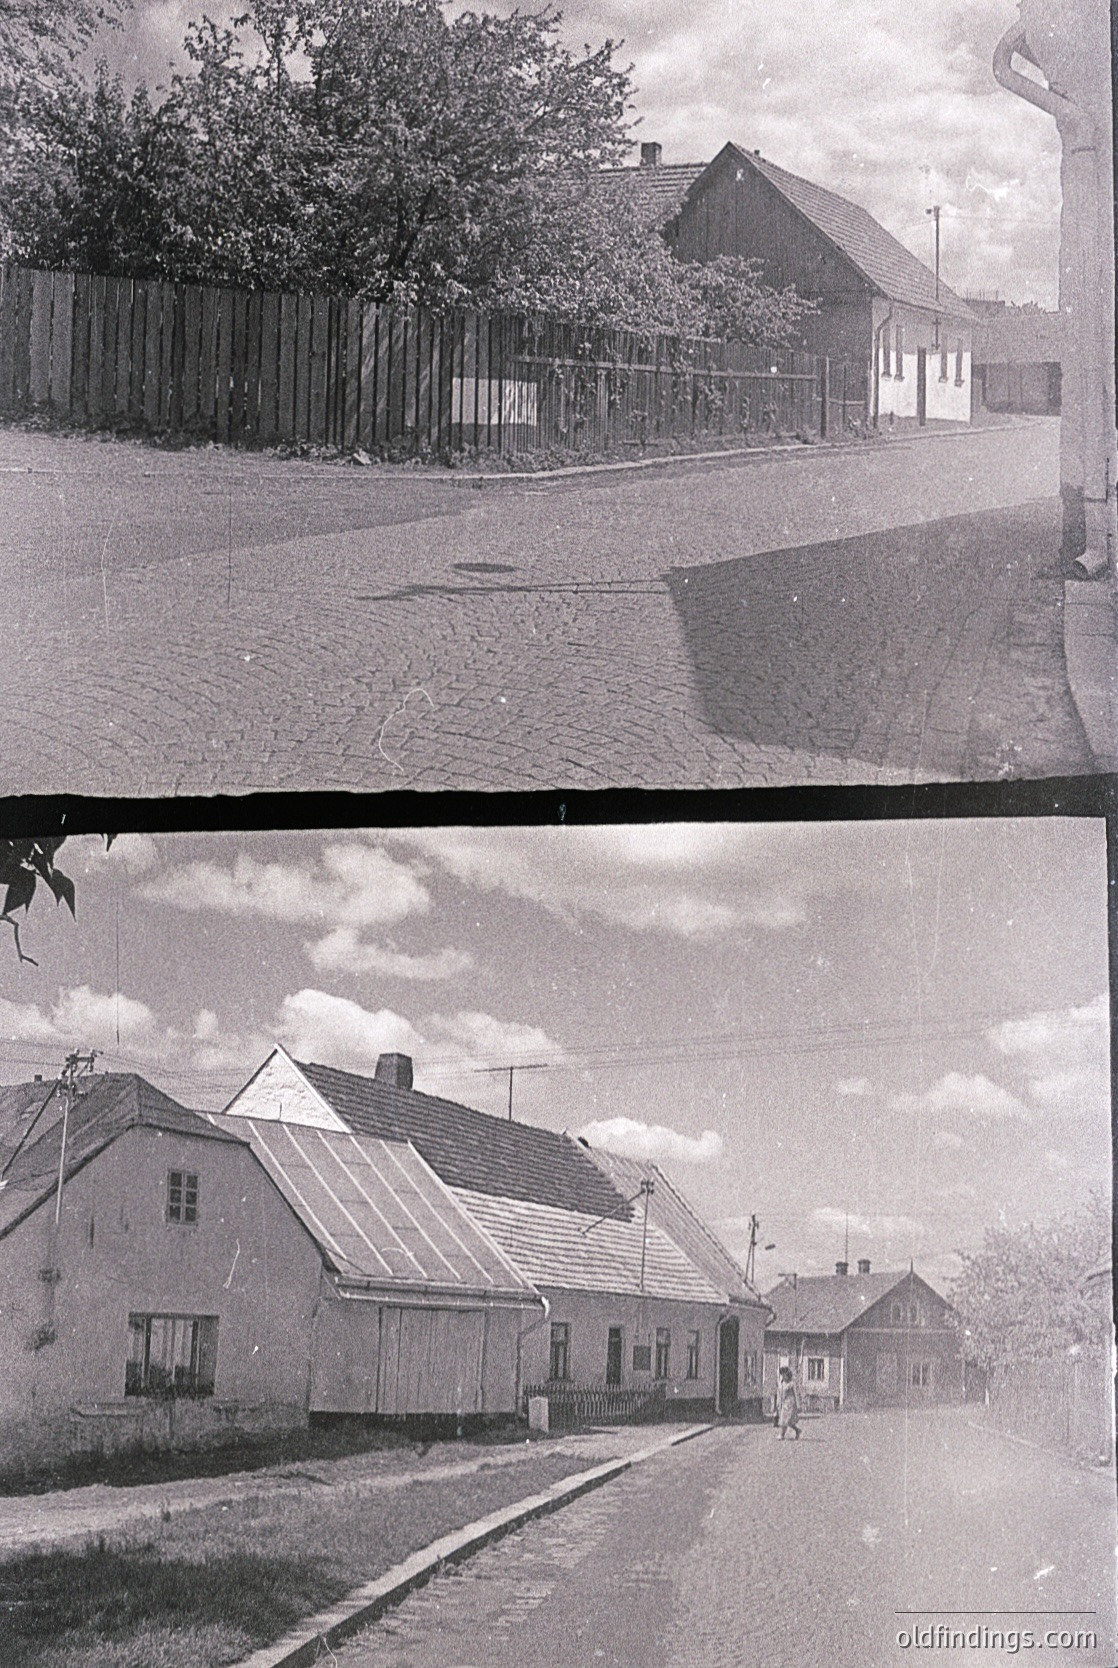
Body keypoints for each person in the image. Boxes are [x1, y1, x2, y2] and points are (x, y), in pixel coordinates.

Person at [775, 1365, 801, 1440]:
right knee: (787, 1420)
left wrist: (798, 1405)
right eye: (782, 1374)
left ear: (788, 1375)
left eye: (784, 1374)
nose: (783, 1376)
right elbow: (779, 1394)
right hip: (783, 1403)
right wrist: (778, 1402)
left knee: (786, 1419)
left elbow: (796, 1394)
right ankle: (797, 1430)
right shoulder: (781, 1383)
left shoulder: (792, 1383)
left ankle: (782, 1435)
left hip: (791, 1403)